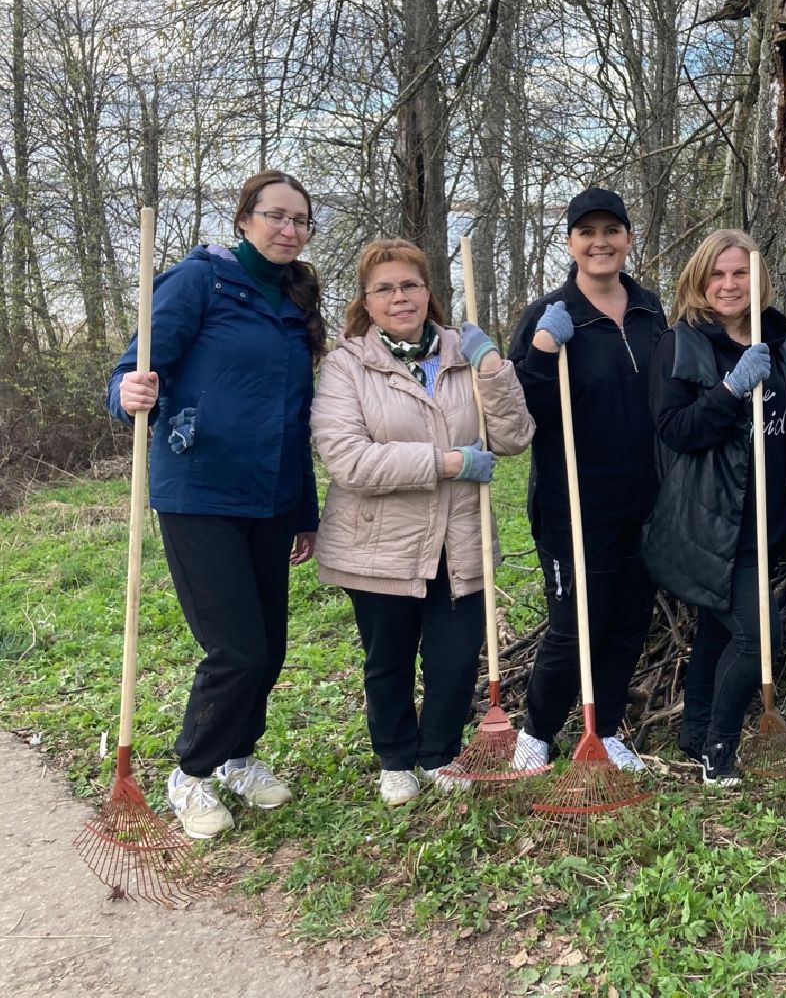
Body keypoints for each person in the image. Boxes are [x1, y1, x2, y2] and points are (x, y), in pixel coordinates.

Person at [106, 170, 326, 839]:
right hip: (199, 490)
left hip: (272, 496)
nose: (288, 230)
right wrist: (127, 394)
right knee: (236, 649)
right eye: (275, 216)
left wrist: (305, 511)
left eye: (300, 221)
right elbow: (130, 370)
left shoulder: (293, 304)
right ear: (243, 219)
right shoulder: (200, 280)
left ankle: (238, 758)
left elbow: (296, 417)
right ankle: (190, 774)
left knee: (271, 647)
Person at [311, 239, 534, 805]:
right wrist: (448, 462)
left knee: (454, 659)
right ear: (366, 300)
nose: (399, 297)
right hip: (379, 543)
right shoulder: (347, 365)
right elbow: (348, 459)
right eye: (384, 289)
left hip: (459, 537)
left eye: (409, 285)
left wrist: (493, 368)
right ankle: (395, 759)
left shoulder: (465, 353)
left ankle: (438, 755)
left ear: (429, 291)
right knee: (387, 658)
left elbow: (512, 437)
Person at [643, 230, 786, 787]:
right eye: (716, 274)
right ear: (698, 281)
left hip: (768, 517)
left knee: (720, 635)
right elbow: (675, 432)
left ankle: (694, 737)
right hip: (713, 522)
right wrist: (731, 390)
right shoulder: (682, 344)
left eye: (739, 273)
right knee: (757, 636)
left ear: (758, 278)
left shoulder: (782, 342)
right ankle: (720, 751)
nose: (728, 284)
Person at [506, 188, 666, 772]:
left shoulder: (649, 309)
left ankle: (609, 728)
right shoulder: (550, 314)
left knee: (627, 623)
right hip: (572, 500)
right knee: (575, 627)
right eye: (587, 232)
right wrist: (545, 351)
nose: (600, 243)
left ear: (627, 237)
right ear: (570, 242)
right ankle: (537, 731)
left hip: (643, 500)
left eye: (611, 231)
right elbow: (520, 411)